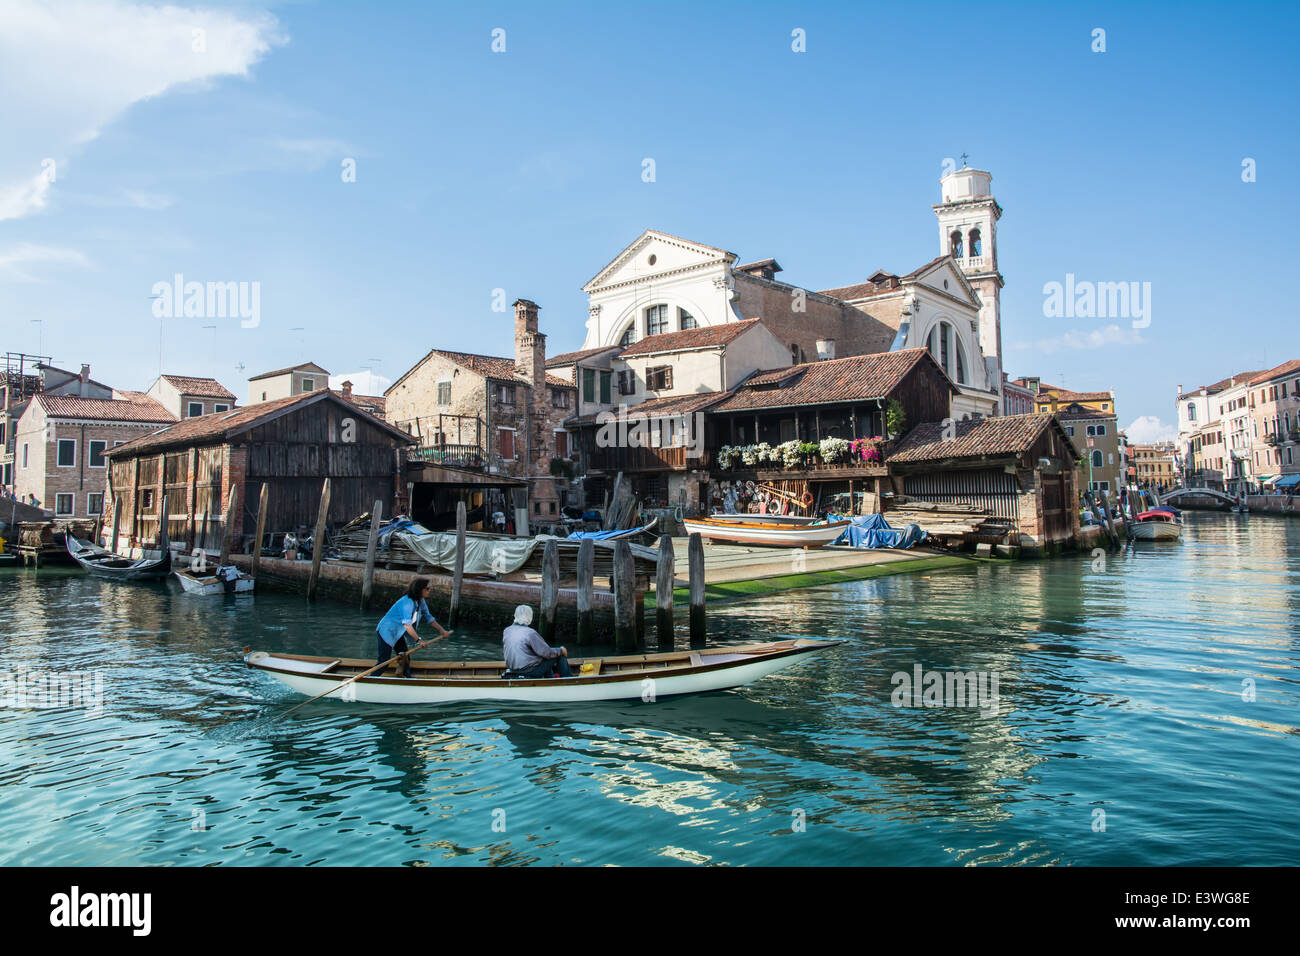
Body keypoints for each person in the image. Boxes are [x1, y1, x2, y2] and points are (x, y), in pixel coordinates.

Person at [376, 577, 449, 677]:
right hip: (386, 631)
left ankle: (407, 679)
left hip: (398, 633)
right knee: (383, 662)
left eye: (429, 589)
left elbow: (428, 617)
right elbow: (407, 625)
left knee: (405, 658)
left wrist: (442, 630)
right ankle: (370, 679)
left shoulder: (420, 601)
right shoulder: (407, 602)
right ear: (419, 590)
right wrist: (419, 640)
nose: (429, 591)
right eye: (427, 589)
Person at [502, 605, 571, 678]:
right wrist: (561, 650)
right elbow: (547, 652)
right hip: (529, 671)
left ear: (515, 616)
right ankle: (568, 679)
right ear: (529, 617)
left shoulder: (507, 631)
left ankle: (550, 679)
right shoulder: (530, 633)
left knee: (543, 658)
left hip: (512, 670)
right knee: (559, 655)